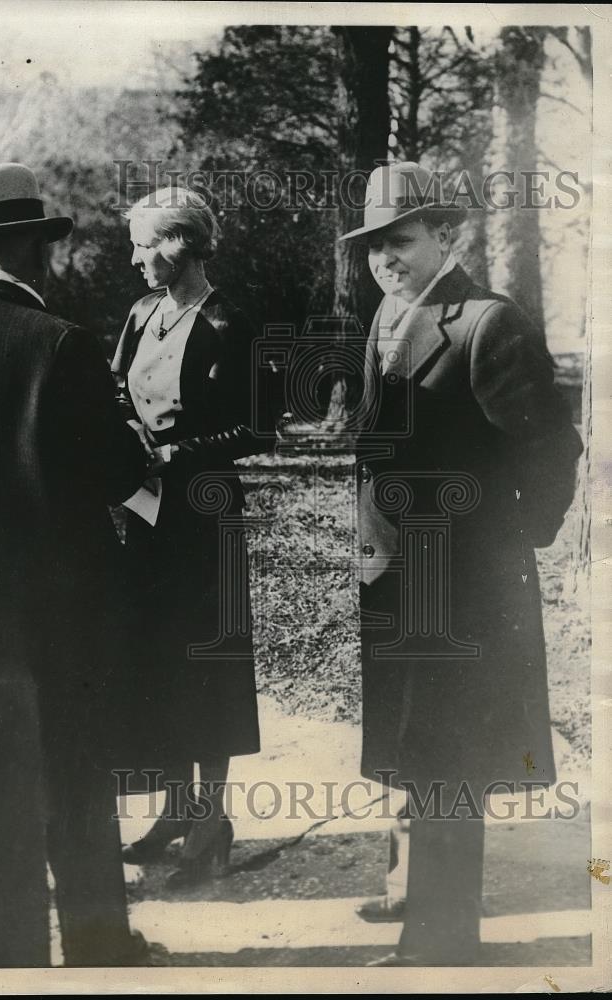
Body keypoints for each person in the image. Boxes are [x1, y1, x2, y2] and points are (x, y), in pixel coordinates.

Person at [342, 161, 583, 966]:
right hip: (395, 575)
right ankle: (425, 902)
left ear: (448, 234)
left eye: (399, 241)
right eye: (373, 246)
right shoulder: (386, 317)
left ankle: (441, 945)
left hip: (464, 587)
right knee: (417, 749)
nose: (384, 259)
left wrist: (511, 542)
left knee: (450, 757)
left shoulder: (488, 323)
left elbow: (552, 447)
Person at [0, 162, 148, 965]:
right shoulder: (61, 344)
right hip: (58, 605)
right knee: (75, 771)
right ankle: (99, 943)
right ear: (38, 251)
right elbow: (117, 475)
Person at [112, 186, 273, 888]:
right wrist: (125, 434)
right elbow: (116, 387)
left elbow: (259, 428)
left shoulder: (232, 322)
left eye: (145, 246)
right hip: (146, 515)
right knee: (155, 656)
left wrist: (179, 454)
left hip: (204, 513)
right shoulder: (141, 313)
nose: (135, 260)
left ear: (178, 246)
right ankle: (175, 808)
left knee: (208, 660)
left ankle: (212, 819)